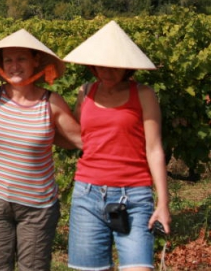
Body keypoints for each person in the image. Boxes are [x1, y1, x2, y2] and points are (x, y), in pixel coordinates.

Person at [63, 20, 171, 271]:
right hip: (87, 195)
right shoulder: (85, 91)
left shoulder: (143, 94)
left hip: (134, 196)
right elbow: (79, 137)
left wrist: (163, 203)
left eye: (113, 66)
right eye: (101, 65)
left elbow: (154, 149)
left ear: (127, 67)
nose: (106, 71)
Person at [0, 29, 82, 271]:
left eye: (21, 58)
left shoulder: (50, 102)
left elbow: (80, 140)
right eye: (8, 60)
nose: (14, 65)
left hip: (38, 207)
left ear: (35, 62)